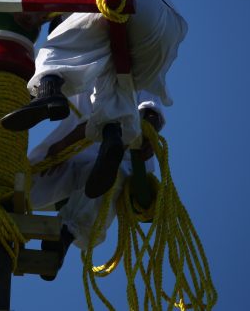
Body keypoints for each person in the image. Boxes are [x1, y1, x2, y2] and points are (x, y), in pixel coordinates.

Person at [2, 0, 187, 199]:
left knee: (54, 48)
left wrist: (44, 10)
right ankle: (113, 135)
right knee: (118, 83)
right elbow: (151, 106)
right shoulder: (103, 64)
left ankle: (48, 91)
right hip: (164, 39)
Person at [29, 90, 165, 280]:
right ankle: (1, 203)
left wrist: (149, 133)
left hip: (117, 152)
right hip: (71, 150)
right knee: (24, 181)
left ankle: (62, 237)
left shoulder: (140, 72)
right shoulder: (82, 64)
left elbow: (151, 111)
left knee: (107, 181)